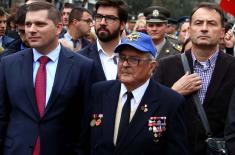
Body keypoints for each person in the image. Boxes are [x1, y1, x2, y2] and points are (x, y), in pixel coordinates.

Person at [0, 2, 97, 155]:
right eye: (28, 24)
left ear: (58, 28)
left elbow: (84, 122)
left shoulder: (83, 67)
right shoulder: (8, 64)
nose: (31, 30)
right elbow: (2, 115)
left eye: (39, 24)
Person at [78, 32, 188, 155]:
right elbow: (83, 144)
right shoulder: (99, 92)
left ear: (152, 67)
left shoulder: (170, 101)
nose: (125, 64)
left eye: (134, 59)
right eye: (122, 58)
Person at [153, 2, 235, 155]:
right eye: (198, 23)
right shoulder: (165, 66)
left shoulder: (232, 68)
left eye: (211, 23)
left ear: (222, 32)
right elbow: (150, 114)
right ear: (189, 30)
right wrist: (173, 93)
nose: (204, 28)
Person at [79, 0, 128, 81]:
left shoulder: (134, 58)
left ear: (122, 25)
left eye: (110, 18)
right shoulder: (80, 58)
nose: (102, 22)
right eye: (98, 17)